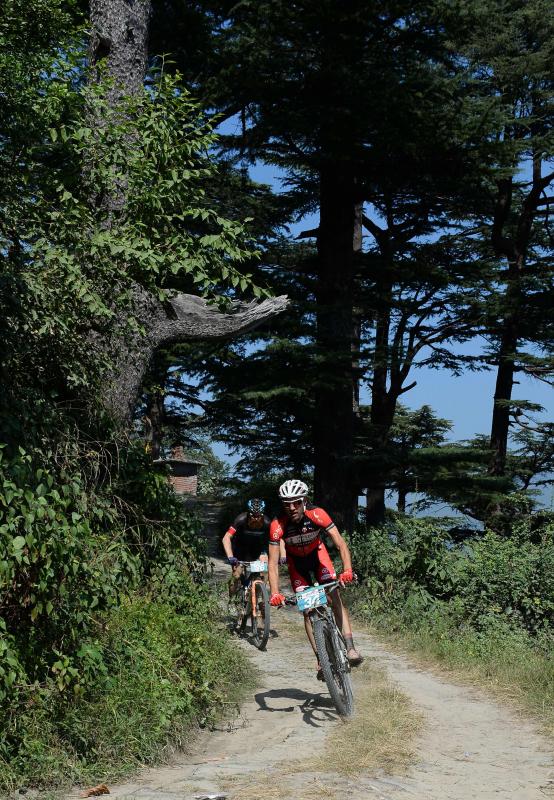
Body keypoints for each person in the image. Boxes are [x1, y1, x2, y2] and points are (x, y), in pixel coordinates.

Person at [268, 479, 363, 675]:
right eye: (287, 504)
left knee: (335, 596)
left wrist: (347, 570)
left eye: (296, 502)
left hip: (318, 557)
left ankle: (350, 647)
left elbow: (340, 543)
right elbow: (272, 563)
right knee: (307, 610)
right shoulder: (277, 525)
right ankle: (321, 659)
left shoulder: (317, 514)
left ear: (304, 501)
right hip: (297, 565)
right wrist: (275, 592)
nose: (292, 508)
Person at [221, 498, 272, 597]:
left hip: (258, 551)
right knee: (236, 575)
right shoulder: (240, 520)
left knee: (264, 572)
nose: (256, 518)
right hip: (241, 552)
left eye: (259, 516)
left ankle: (260, 598)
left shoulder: (267, 522)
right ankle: (232, 600)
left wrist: (276, 557)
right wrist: (230, 557)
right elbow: (226, 538)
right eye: (253, 515)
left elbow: (275, 541)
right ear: (248, 514)